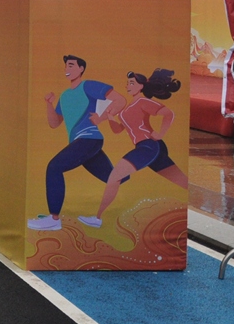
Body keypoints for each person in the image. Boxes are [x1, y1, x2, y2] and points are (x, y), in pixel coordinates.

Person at [80, 69, 189, 228]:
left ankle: (97, 218)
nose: (128, 86)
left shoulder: (143, 102)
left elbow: (169, 114)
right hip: (146, 148)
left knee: (114, 176)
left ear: (141, 86)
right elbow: (118, 130)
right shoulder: (125, 110)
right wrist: (110, 117)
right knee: (183, 182)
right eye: (127, 83)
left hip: (148, 146)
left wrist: (160, 133)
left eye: (132, 83)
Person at [28, 54, 125, 231]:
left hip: (88, 139)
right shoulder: (65, 95)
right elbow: (55, 123)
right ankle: (137, 168)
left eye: (71, 65)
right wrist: (49, 104)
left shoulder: (88, 86)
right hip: (84, 142)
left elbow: (120, 100)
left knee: (54, 167)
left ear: (81, 69)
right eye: (66, 66)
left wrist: (101, 118)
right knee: (114, 178)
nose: (67, 69)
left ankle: (53, 219)